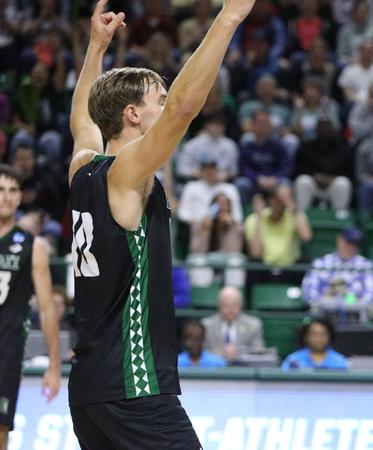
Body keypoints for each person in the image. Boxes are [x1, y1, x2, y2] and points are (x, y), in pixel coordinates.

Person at [66, 0, 254, 447]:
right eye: (158, 101)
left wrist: (95, 49)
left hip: (90, 389)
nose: (167, 107)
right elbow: (185, 109)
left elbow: (82, 120)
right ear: (133, 114)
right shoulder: (126, 173)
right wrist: (228, 17)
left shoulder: (83, 164)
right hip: (134, 385)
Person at [0, 165, 60, 449]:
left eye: (13, 190)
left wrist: (54, 365)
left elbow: (47, 309)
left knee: (1, 432)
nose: (7, 196)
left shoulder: (32, 246)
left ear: (21, 197)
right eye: (1, 190)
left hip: (6, 350)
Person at [201, 286, 266, 362]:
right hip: (213, 369)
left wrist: (237, 353)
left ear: (241, 305)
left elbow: (258, 352)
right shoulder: (206, 325)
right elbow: (200, 353)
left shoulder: (254, 325)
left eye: (234, 304)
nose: (230, 309)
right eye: (226, 304)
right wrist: (220, 354)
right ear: (219, 305)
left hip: (243, 370)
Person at [281, 317, 350, 370]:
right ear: (305, 337)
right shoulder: (293, 360)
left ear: (330, 337)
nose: (318, 338)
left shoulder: (341, 362)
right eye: (314, 334)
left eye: (323, 334)